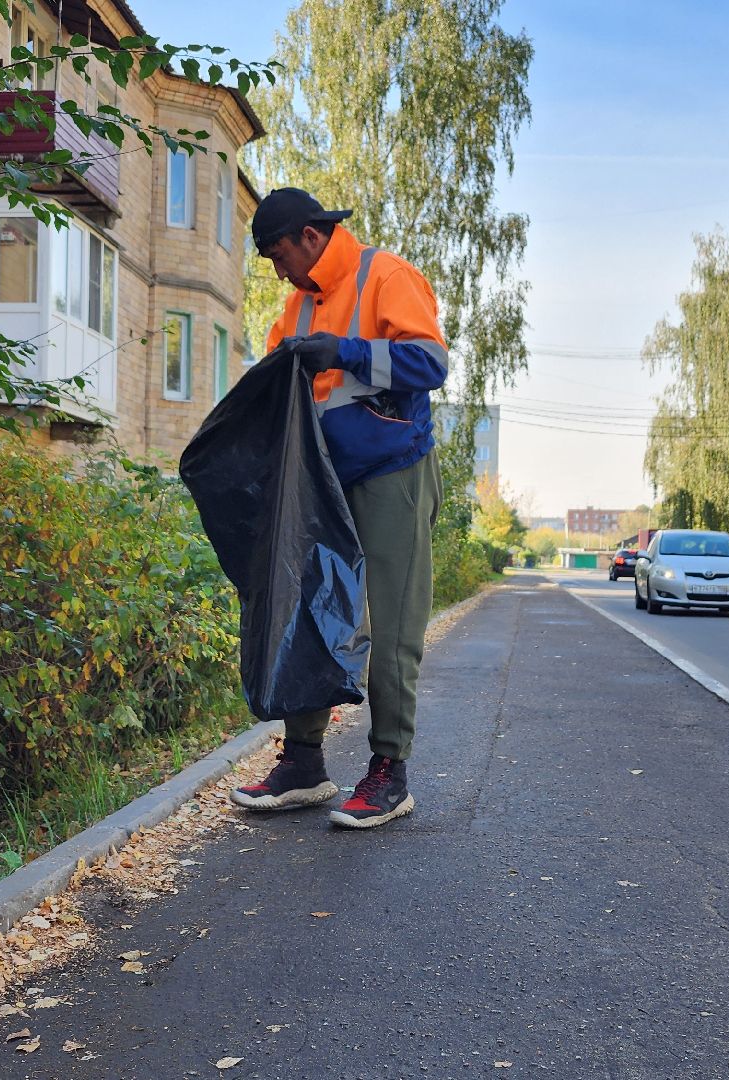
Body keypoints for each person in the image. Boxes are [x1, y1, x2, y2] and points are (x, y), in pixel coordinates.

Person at [228, 188, 448, 830]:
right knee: (313, 616)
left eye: (277, 255)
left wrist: (344, 350)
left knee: (395, 627)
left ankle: (389, 773)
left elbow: (431, 362)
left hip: (392, 473)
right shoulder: (296, 308)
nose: (278, 270)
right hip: (321, 481)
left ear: (310, 236)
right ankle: (304, 763)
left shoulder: (387, 275)